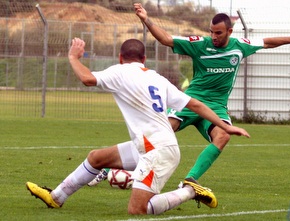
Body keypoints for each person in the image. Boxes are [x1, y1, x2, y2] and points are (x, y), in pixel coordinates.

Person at [88, 3, 290, 187]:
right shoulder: (200, 45)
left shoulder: (239, 46)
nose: (213, 36)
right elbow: (167, 39)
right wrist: (146, 19)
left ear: (229, 32)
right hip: (190, 101)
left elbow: (267, 42)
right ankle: (110, 167)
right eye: (211, 32)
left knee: (223, 137)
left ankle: (190, 180)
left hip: (215, 107)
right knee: (158, 133)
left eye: (218, 33)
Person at [26, 38, 250, 215]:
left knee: (137, 210)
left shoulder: (120, 71)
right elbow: (195, 104)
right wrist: (225, 126)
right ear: (144, 58)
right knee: (96, 158)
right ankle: (56, 198)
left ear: (120, 57)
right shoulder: (157, 78)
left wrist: (73, 57)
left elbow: (86, 78)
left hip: (158, 151)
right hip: (149, 145)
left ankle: (190, 191)